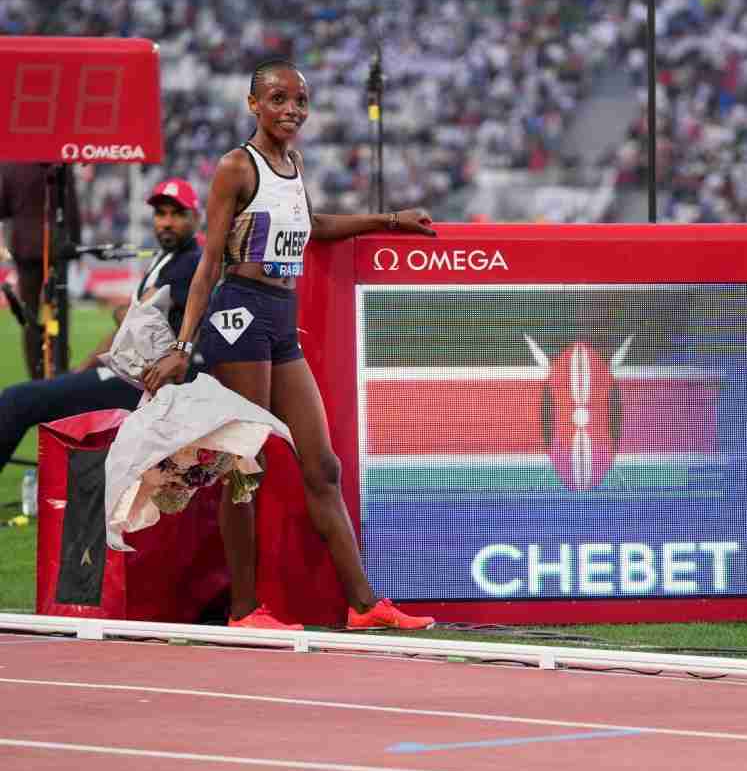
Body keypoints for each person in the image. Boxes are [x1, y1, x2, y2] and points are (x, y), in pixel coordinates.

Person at [143, 59, 437, 632]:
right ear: (254, 104)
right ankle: (244, 609)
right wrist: (183, 344)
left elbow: (311, 224)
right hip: (239, 312)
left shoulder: (292, 162)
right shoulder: (236, 167)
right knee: (243, 464)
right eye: (278, 99)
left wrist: (390, 220)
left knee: (322, 466)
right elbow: (208, 265)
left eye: (300, 101)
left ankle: (363, 606)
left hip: (281, 315)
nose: (291, 111)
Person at [0, 178, 198, 473]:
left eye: (177, 214)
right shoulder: (168, 260)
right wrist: (85, 368)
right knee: (35, 397)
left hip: (147, 385)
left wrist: (127, 312)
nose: (166, 222)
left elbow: (132, 319)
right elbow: (128, 325)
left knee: (18, 400)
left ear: (197, 217)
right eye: (161, 214)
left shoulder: (192, 262)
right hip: (130, 374)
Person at [0, 163, 82, 380]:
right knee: (57, 313)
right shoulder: (61, 162)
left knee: (30, 316)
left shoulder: (12, 166)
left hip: (25, 247)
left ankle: (35, 377)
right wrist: (77, 245)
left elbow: (3, 206)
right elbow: (72, 207)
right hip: (56, 247)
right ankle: (60, 371)